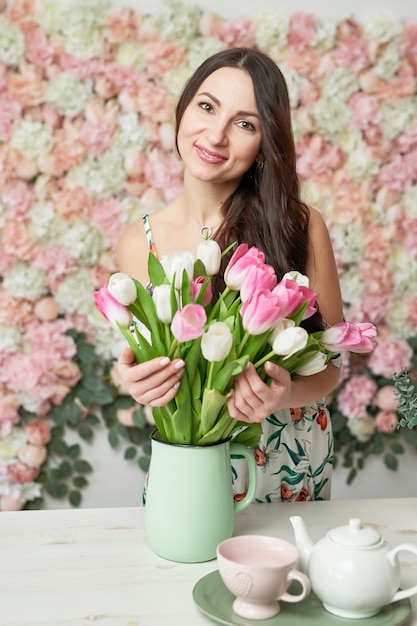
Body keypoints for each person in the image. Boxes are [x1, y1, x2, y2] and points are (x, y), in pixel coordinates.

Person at [116, 47, 344, 502]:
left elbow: (331, 367)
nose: (215, 135)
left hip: (287, 459)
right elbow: (158, 371)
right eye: (206, 106)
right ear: (183, 109)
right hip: (190, 459)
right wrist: (136, 381)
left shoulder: (297, 226)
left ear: (265, 144)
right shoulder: (139, 242)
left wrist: (280, 397)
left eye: (245, 124)